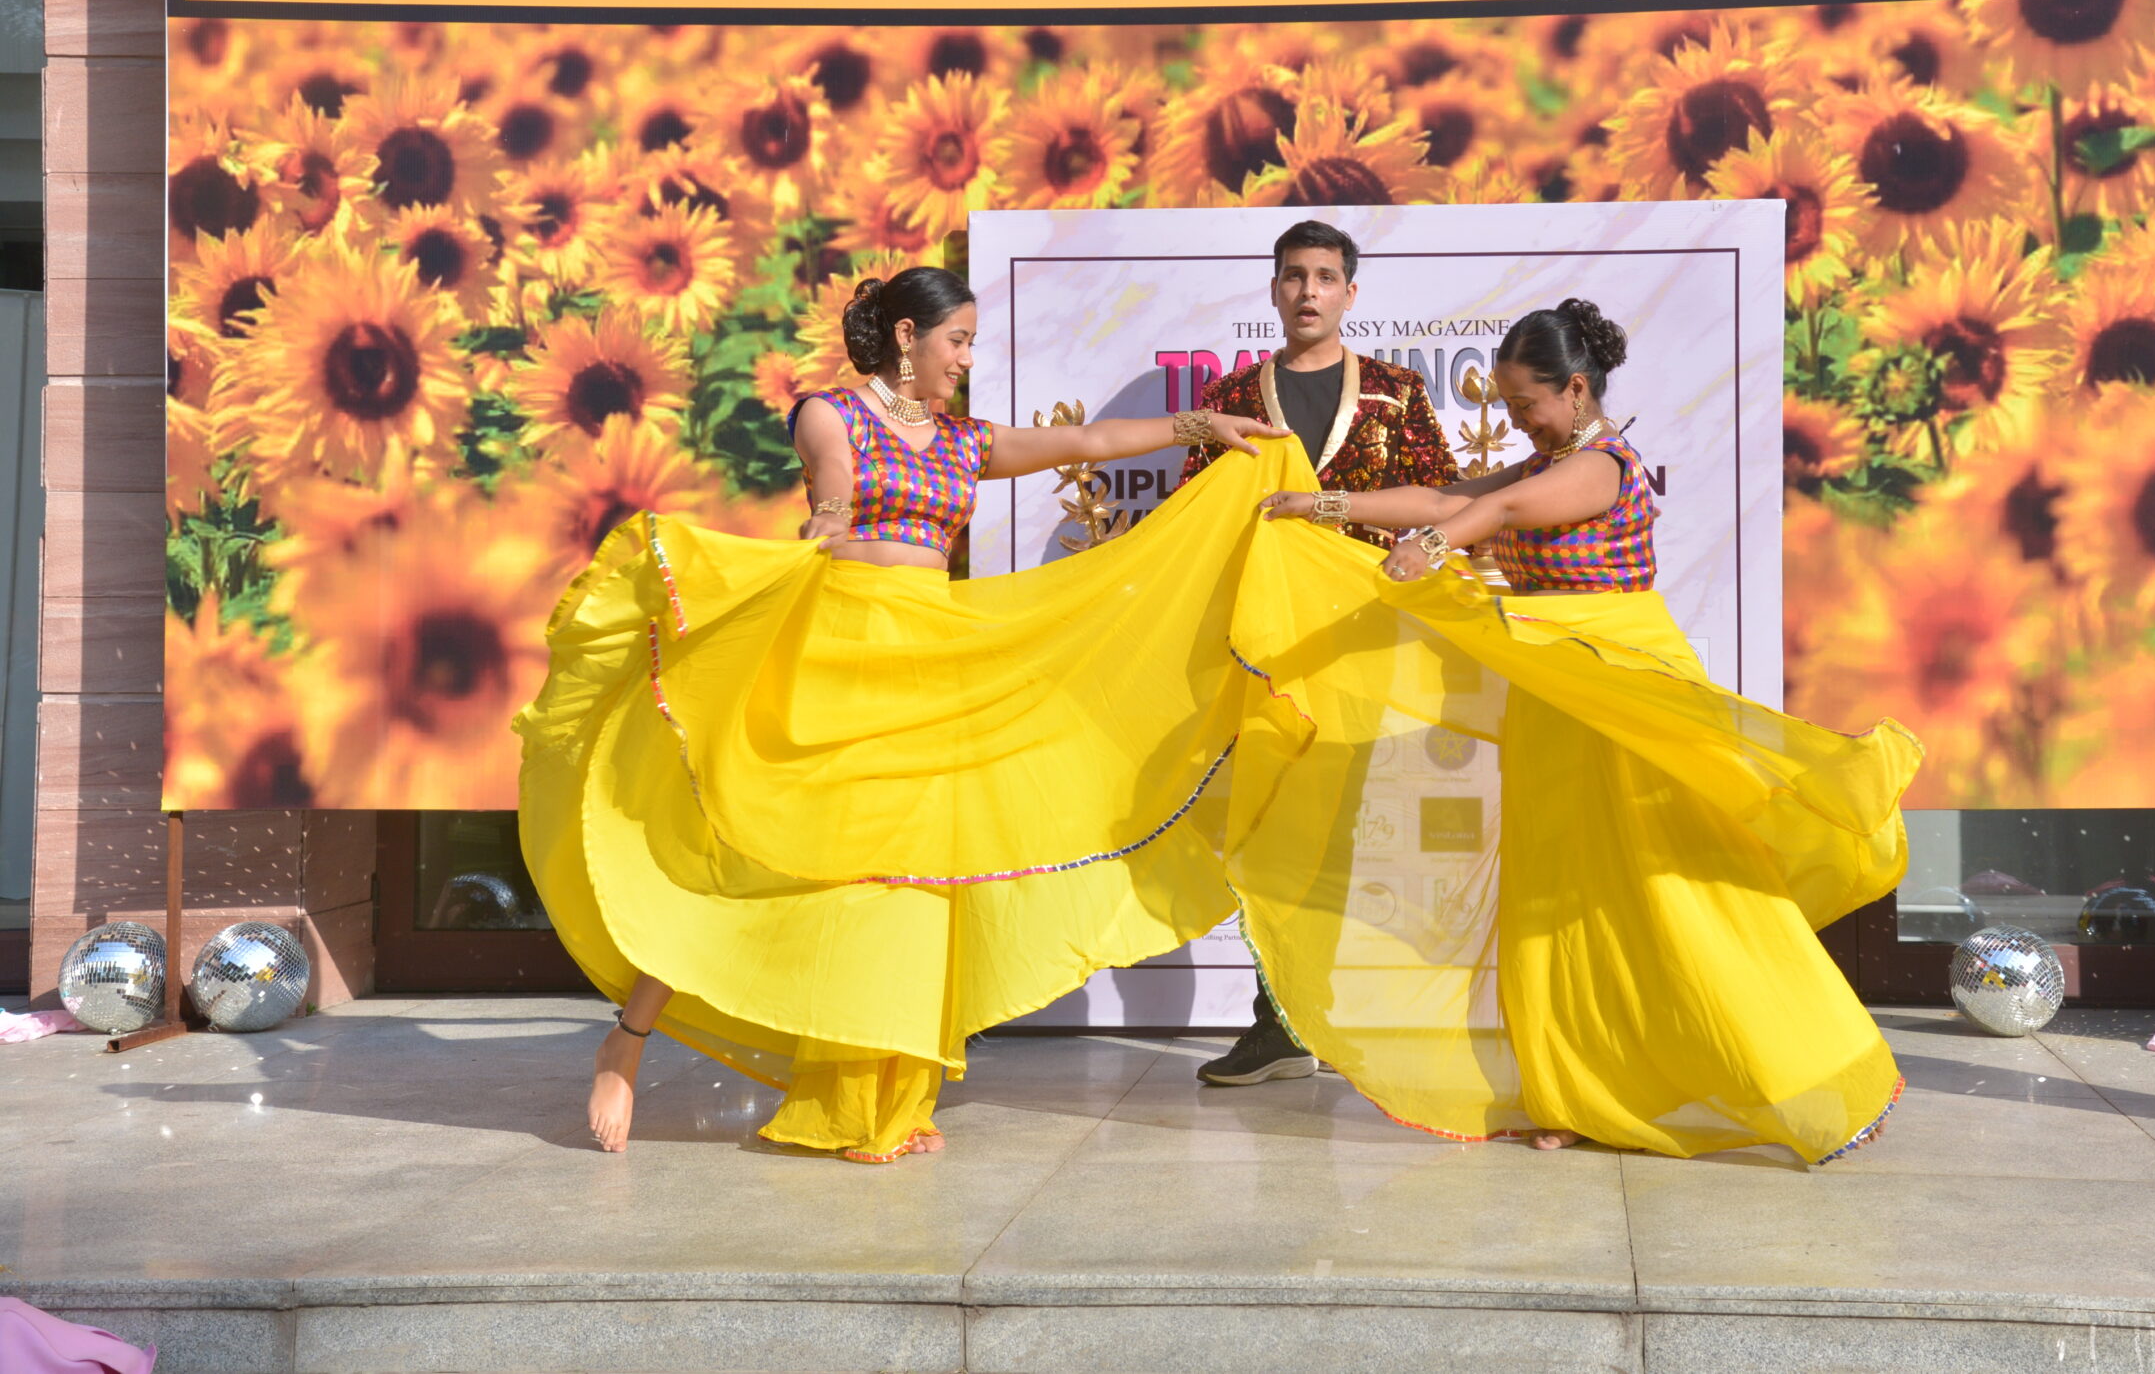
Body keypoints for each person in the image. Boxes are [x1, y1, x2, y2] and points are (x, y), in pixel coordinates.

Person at [517, 264, 1291, 1162]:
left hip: (931, 665)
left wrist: (1201, 425)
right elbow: (834, 484)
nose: (967, 358)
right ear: (905, 337)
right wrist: (830, 517)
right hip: (840, 657)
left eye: (971, 342)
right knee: (768, 855)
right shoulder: (831, 414)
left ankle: (884, 1095)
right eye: (957, 340)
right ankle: (627, 1039)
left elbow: (1088, 439)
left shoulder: (963, 441)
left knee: (911, 882)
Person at [1238, 299, 1922, 1163]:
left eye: (1525, 403)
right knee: (1553, 897)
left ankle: (1827, 1076)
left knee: (1689, 892)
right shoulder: (1547, 460)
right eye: (1507, 405)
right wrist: (1327, 503)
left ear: (1574, 388)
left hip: (1625, 690)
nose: (1515, 419)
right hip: (1554, 693)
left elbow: (1501, 514)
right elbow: (1449, 495)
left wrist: (1433, 547)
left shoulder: (1601, 467)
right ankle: (1570, 1092)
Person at [1180, 218, 1461, 1087]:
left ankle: (1323, 1008)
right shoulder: (1233, 395)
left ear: (1350, 292)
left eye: (1325, 276)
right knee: (1266, 822)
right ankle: (1279, 1018)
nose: (1309, 291)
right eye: (1295, 275)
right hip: (1264, 642)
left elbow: (1443, 501)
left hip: (1362, 635)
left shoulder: (1395, 392)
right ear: (1273, 289)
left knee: (1345, 826)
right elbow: (1196, 519)